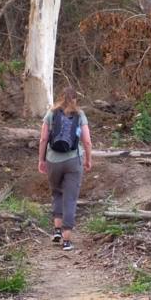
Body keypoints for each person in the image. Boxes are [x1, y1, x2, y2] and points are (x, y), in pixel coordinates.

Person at [38, 87, 92, 251]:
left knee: (56, 192)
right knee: (70, 198)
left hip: (53, 160)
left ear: (60, 98)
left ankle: (56, 230)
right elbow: (87, 141)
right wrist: (88, 159)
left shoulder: (51, 114)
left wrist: (41, 160)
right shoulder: (80, 115)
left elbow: (43, 139)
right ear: (75, 99)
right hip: (73, 160)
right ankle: (66, 240)